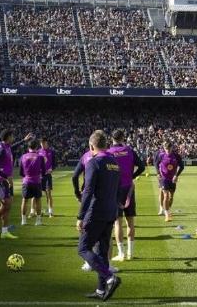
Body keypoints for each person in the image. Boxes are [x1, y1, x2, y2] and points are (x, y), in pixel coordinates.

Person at [77, 130, 122, 301]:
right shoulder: (114, 163)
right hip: (111, 212)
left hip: (96, 212)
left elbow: (88, 191)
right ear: (106, 145)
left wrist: (80, 216)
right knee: (102, 252)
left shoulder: (93, 163)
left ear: (91, 146)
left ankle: (110, 277)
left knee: (83, 248)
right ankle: (101, 290)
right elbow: (118, 188)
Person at [0, 130, 33, 240]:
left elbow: (14, 147)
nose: (13, 137)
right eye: (12, 136)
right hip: (0, 181)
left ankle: (4, 231)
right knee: (5, 204)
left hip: (7, 181)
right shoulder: (1, 149)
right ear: (8, 137)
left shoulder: (7, 146)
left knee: (8, 206)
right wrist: (6, 177)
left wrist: (23, 140)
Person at [109, 129, 145, 262]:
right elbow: (141, 167)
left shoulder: (109, 152)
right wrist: (132, 177)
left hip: (115, 190)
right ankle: (131, 253)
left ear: (112, 139)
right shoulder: (129, 150)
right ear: (123, 138)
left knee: (117, 222)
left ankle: (121, 254)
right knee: (130, 221)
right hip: (129, 189)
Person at [156, 139, 184, 222]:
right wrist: (158, 173)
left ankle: (168, 209)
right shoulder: (161, 155)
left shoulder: (176, 156)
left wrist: (176, 175)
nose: (167, 150)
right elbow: (156, 164)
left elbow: (182, 166)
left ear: (172, 148)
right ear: (164, 148)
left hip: (172, 179)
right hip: (164, 178)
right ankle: (167, 214)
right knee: (166, 196)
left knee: (171, 197)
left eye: (169, 148)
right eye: (166, 148)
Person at [20, 139, 46, 226]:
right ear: (36, 147)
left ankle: (23, 220)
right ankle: (38, 221)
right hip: (36, 181)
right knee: (38, 200)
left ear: (28, 147)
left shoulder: (23, 157)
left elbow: (21, 172)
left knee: (25, 200)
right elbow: (44, 171)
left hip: (26, 181)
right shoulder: (40, 157)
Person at [38, 138, 56, 217]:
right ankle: (39, 210)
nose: (43, 145)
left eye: (44, 143)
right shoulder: (38, 152)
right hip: (40, 176)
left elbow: (55, 163)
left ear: (46, 143)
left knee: (48, 193)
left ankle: (50, 212)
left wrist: (52, 169)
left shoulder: (51, 152)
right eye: (41, 143)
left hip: (48, 175)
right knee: (38, 195)